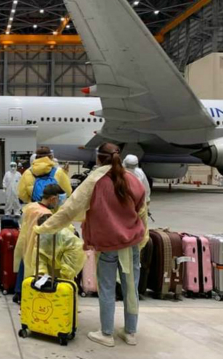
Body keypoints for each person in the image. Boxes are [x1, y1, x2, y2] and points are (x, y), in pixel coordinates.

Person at [34, 143, 148, 348]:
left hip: (108, 245)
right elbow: (142, 210)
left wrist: (44, 228)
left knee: (107, 290)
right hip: (131, 243)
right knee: (131, 288)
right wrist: (143, 237)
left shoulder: (95, 181)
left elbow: (70, 209)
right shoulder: (132, 179)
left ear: (98, 158)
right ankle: (130, 333)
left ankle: (106, 333)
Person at [13, 184, 63, 303]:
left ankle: (18, 292)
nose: (58, 203)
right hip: (36, 245)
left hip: (26, 241)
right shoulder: (45, 214)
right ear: (52, 199)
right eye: (58, 199)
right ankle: (26, 295)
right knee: (32, 271)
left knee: (24, 265)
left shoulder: (31, 206)